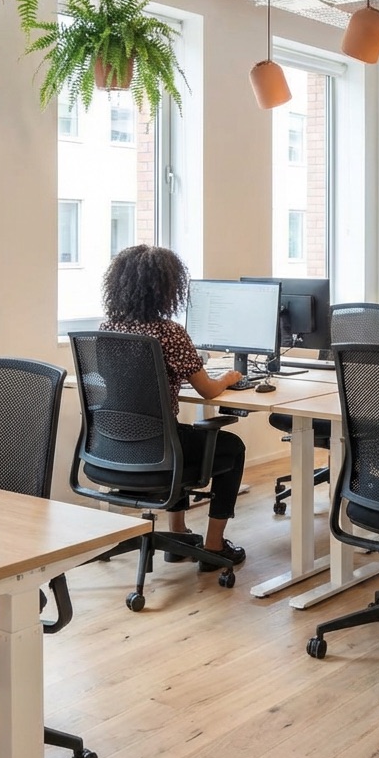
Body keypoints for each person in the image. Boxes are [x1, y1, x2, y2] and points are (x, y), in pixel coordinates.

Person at [99, 244, 247, 571]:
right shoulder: (170, 333)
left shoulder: (107, 328)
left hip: (114, 446)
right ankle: (214, 545)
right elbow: (208, 391)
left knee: (176, 436)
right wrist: (228, 377)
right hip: (159, 448)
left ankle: (178, 536)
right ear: (166, 289)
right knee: (231, 447)